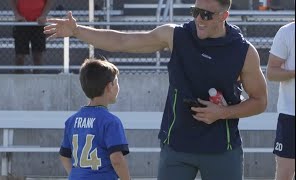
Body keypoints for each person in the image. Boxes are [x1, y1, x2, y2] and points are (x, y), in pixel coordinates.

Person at [44, 0, 268, 179]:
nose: (199, 18)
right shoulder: (176, 35)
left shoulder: (244, 52)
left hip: (222, 150)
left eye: (206, 14)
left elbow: (260, 101)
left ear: (223, 16)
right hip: (177, 148)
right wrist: (77, 31)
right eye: (195, 11)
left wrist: (223, 113)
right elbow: (123, 42)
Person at [59, 58, 131, 180]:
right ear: (109, 87)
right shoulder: (111, 121)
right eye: (117, 82)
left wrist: (77, 175)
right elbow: (117, 159)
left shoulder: (72, 121)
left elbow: (64, 156)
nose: (118, 87)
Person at [266, 22, 295, 180]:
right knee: (285, 174)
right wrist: (293, 73)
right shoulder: (287, 32)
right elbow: (271, 73)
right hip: (291, 115)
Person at [10, 0, 53, 74]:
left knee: (38, 57)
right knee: (19, 57)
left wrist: (43, 15)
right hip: (22, 22)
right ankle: (18, 83)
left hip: (38, 23)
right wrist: (16, 15)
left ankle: (37, 82)